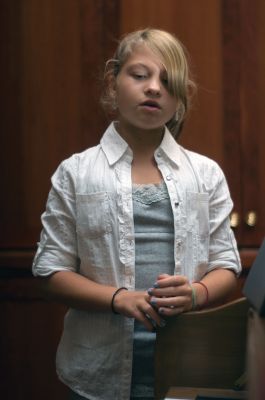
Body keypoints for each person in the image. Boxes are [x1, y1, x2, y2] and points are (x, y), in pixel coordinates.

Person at [32, 28, 241, 400]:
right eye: (140, 75)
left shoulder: (206, 174)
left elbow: (226, 264)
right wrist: (118, 298)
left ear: (181, 96)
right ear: (114, 82)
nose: (154, 88)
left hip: (189, 369)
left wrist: (197, 293)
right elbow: (50, 271)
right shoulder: (76, 173)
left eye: (167, 80)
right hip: (97, 376)